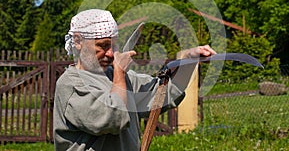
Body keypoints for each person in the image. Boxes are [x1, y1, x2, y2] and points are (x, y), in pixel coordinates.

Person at [53, 9, 216, 151]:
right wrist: (119, 74)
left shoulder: (120, 77)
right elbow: (113, 119)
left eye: (114, 46)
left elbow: (164, 94)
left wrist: (188, 61)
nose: (111, 53)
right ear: (78, 41)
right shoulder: (71, 84)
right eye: (103, 46)